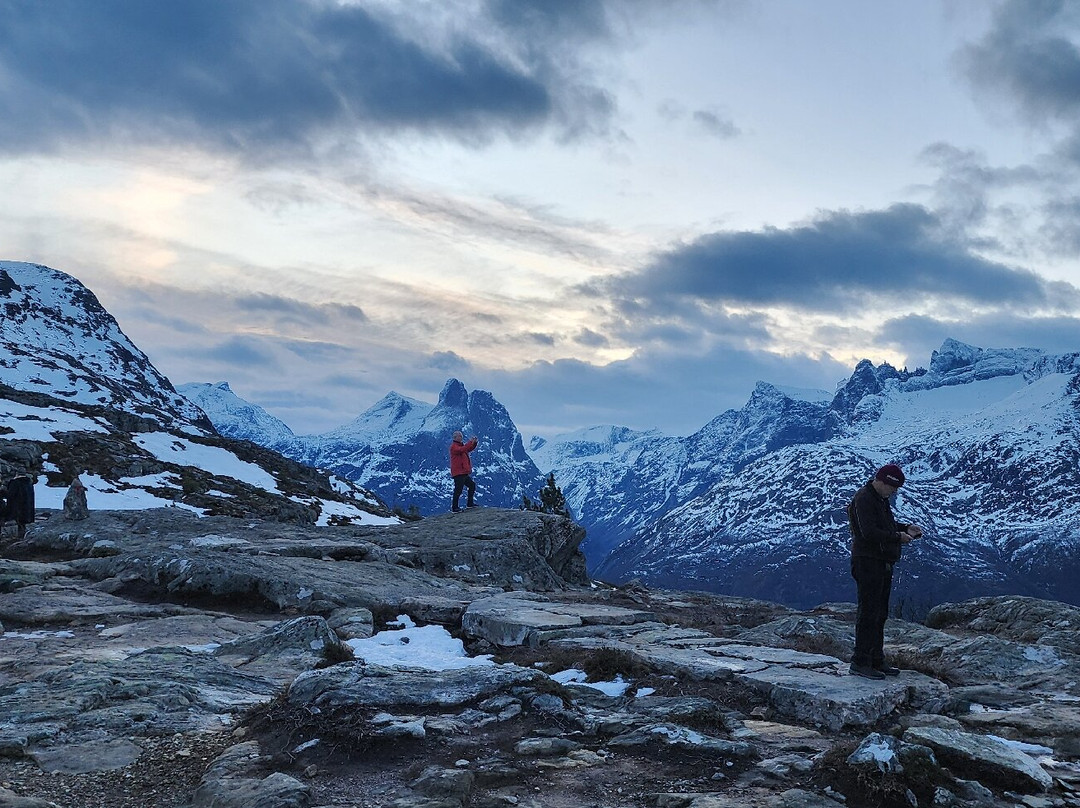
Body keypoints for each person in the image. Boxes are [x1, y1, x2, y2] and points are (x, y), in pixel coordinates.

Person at [847, 463, 922, 680]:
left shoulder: (879, 499)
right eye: (892, 487)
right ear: (881, 481)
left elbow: (883, 525)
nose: (893, 492)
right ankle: (860, 661)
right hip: (867, 562)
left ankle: (876, 659)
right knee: (869, 613)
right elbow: (868, 532)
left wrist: (904, 527)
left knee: (880, 614)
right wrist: (897, 537)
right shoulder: (864, 498)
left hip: (881, 562)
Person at [449, 430, 479, 513]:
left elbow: (468, 449)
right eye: (460, 436)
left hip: (463, 472)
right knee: (458, 490)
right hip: (459, 472)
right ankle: (455, 508)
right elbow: (463, 449)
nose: (461, 437)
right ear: (455, 437)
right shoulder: (454, 447)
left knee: (472, 485)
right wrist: (470, 442)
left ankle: (470, 504)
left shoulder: (460, 446)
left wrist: (474, 443)